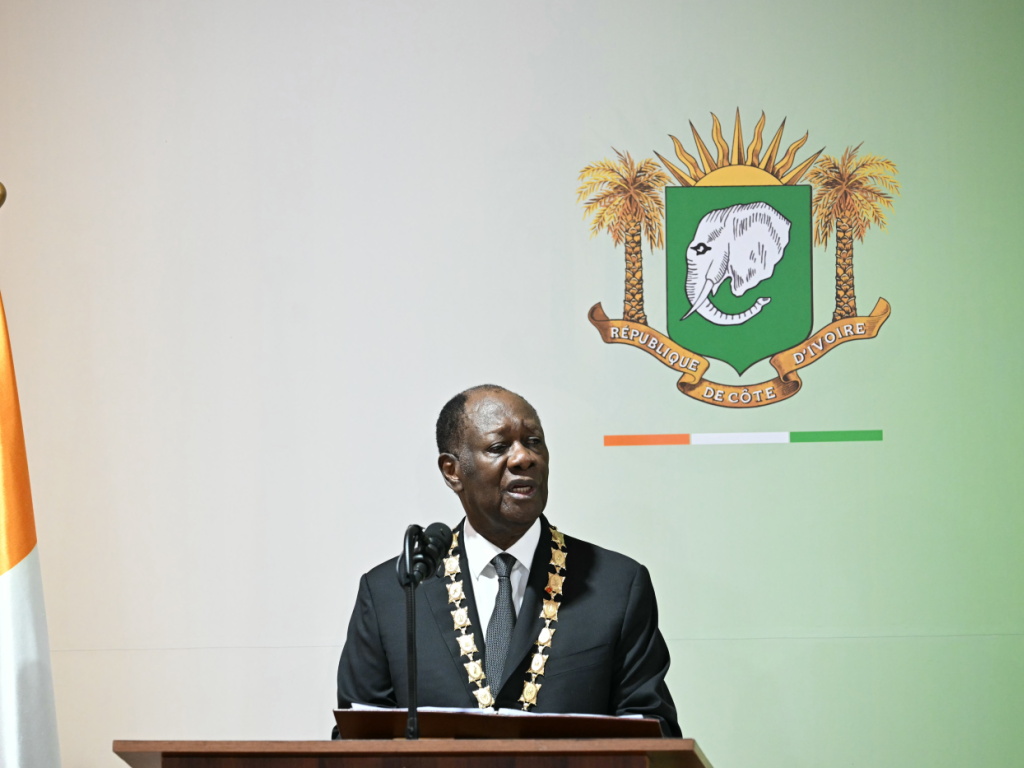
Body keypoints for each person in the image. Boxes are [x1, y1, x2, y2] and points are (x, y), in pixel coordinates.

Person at [335, 385, 681, 736]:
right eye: (499, 447)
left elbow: (654, 732)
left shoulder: (616, 585)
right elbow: (355, 738)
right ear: (452, 471)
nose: (523, 458)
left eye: (533, 442)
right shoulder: (394, 594)